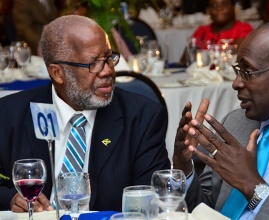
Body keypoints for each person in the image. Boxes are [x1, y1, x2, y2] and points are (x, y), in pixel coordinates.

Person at [0, 15, 170, 212]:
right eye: (94, 63)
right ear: (57, 73)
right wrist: (11, 199)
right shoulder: (9, 114)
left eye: (109, 58)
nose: (107, 71)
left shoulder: (142, 117)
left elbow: (150, 199)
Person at [173, 20, 269, 219]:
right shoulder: (236, 123)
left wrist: (253, 187)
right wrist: (183, 167)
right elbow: (206, 209)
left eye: (248, 72)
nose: (236, 84)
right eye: (238, 71)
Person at [180, 0, 253, 65]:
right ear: (208, 10)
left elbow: (237, 55)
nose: (219, 8)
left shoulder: (243, 29)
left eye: (224, 4)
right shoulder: (201, 31)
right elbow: (185, 60)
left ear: (233, 7)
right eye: (214, 5)